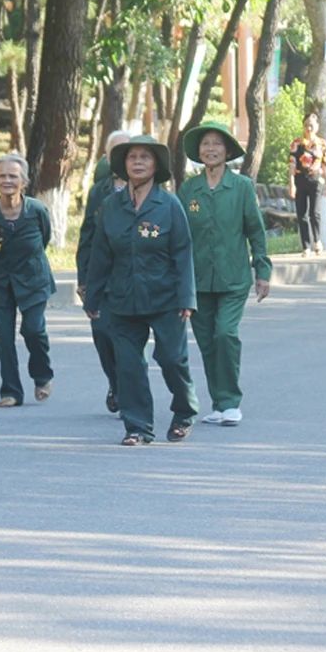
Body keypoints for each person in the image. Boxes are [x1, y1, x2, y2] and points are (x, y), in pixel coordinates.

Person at [82, 135, 199, 446]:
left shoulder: (169, 205)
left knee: (172, 359)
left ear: (156, 166)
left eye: (145, 157)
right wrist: (93, 297)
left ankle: (185, 411)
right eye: (132, 157)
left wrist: (187, 297)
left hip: (166, 297)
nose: (137, 162)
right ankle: (138, 427)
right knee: (128, 364)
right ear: (123, 165)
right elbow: (100, 254)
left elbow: (183, 253)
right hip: (122, 297)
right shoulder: (111, 206)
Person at [179, 122, 272, 428]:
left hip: (233, 278)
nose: (211, 149)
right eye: (205, 143)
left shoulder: (241, 186)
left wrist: (262, 270)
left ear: (228, 151)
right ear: (199, 151)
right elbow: (179, 237)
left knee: (225, 335)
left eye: (217, 143)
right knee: (207, 343)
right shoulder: (189, 190)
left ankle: (230, 402)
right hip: (198, 280)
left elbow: (255, 230)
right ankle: (219, 404)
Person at [0, 153, 55, 407]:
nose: (7, 180)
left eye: (13, 176)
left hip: (33, 279)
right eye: (2, 176)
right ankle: (10, 391)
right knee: (5, 337)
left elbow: (44, 238)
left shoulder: (36, 210)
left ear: (24, 181)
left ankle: (42, 375)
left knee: (34, 329)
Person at [77, 130, 130, 413]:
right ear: (107, 157)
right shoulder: (99, 191)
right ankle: (115, 382)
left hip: (136, 278)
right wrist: (83, 279)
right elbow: (87, 236)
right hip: (103, 277)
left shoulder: (149, 189)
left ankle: (130, 390)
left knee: (129, 339)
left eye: (126, 150)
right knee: (101, 331)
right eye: (115, 152)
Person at [287, 112, 326, 257]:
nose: (309, 129)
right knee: (302, 214)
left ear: (317, 126)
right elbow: (292, 165)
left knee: (315, 212)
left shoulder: (322, 144)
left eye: (311, 126)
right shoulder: (297, 144)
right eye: (306, 125)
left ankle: (317, 240)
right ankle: (306, 246)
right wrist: (291, 184)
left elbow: (325, 165)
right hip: (300, 179)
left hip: (316, 180)